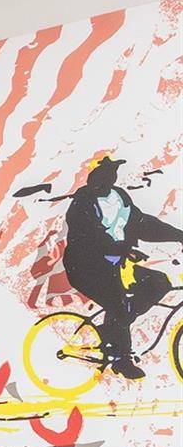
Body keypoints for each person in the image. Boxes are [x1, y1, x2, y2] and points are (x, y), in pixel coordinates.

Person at [63, 154, 182, 380]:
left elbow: (142, 224)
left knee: (158, 283)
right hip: (86, 267)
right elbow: (88, 237)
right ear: (92, 176)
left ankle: (114, 326)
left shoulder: (120, 197)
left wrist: (179, 235)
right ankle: (120, 359)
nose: (109, 177)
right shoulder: (82, 202)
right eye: (103, 173)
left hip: (116, 264)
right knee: (117, 305)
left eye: (112, 172)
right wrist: (122, 250)